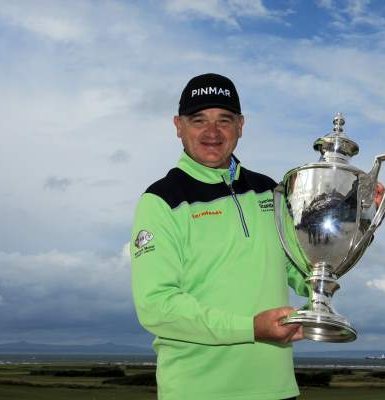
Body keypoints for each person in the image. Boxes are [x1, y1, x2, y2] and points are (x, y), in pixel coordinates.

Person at [130, 73, 309, 400]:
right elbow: (157, 306)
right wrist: (250, 328)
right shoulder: (161, 200)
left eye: (224, 120)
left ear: (240, 125)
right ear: (178, 126)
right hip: (197, 391)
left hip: (277, 389)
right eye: (198, 120)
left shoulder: (270, 191)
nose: (212, 132)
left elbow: (304, 268)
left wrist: (353, 221)